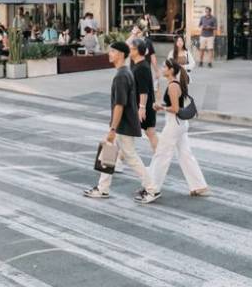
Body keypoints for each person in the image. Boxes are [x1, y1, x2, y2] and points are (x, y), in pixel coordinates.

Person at [84, 42, 160, 204]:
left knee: (131, 157)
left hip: (123, 125)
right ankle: (102, 188)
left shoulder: (121, 76)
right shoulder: (125, 72)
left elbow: (120, 104)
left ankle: (152, 188)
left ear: (120, 54)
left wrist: (112, 128)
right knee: (110, 154)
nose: (109, 54)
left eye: (112, 51)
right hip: (123, 124)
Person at [149, 59, 209, 196]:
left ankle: (151, 187)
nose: (162, 68)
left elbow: (175, 108)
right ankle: (199, 186)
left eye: (164, 67)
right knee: (185, 155)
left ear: (171, 70)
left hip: (174, 124)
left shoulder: (173, 86)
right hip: (180, 124)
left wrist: (161, 107)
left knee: (161, 154)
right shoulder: (174, 84)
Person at [131, 38, 159, 151]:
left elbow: (144, 90)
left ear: (137, 51)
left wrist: (142, 108)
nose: (130, 51)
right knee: (127, 135)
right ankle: (118, 160)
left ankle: (160, 160)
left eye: (132, 49)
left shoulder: (142, 67)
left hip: (144, 107)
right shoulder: (137, 65)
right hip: (138, 106)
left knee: (150, 132)